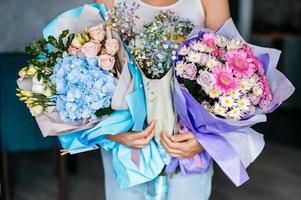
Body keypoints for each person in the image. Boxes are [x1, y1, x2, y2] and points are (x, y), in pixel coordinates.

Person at [95, 0, 231, 199]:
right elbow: (93, 71)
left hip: (187, 147)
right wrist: (110, 132)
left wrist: (206, 138)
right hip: (127, 147)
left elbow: (231, 73)